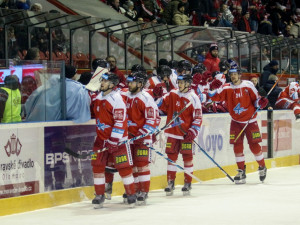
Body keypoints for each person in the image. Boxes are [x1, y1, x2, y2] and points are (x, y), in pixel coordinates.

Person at [209, 67, 269, 184]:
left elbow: (256, 100)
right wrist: (211, 87)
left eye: (235, 74)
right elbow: (214, 96)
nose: (233, 76)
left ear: (240, 75)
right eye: (231, 75)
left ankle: (262, 166)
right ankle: (241, 171)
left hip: (250, 121)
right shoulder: (226, 88)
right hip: (236, 121)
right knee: (237, 147)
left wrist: (260, 103)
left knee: (254, 146)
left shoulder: (248, 85)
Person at [91, 73, 136, 208]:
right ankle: (99, 195)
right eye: (102, 80)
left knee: (124, 167)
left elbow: (120, 121)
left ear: (112, 84)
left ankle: (131, 194)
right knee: (97, 167)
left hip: (118, 141)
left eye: (105, 81)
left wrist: (114, 140)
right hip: (101, 140)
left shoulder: (117, 99)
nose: (102, 83)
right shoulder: (98, 97)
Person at [158, 74, 202, 195]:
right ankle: (170, 182)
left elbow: (198, 117)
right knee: (171, 158)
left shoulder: (193, 97)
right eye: (179, 82)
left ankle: (187, 183)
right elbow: (161, 104)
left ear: (188, 83)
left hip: (185, 134)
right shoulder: (172, 93)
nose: (180, 84)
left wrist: (193, 131)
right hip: (172, 132)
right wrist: (156, 95)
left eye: (182, 82)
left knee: (187, 158)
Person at [120, 71, 159, 204]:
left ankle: (144, 190)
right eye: (129, 81)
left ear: (140, 84)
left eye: (132, 82)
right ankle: (134, 189)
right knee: (131, 165)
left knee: (142, 165)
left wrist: (143, 133)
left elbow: (153, 119)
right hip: (128, 138)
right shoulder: (124, 94)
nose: (129, 84)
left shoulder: (146, 98)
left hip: (142, 137)